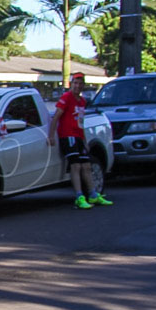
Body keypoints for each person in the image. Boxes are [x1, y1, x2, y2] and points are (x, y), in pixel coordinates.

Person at [48, 72, 112, 209]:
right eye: (75, 83)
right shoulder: (66, 97)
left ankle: (93, 194)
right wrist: (51, 135)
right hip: (67, 135)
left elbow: (80, 122)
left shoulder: (82, 101)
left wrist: (84, 140)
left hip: (78, 136)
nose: (77, 86)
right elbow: (56, 116)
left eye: (80, 83)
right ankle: (79, 196)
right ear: (71, 84)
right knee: (75, 165)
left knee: (86, 165)